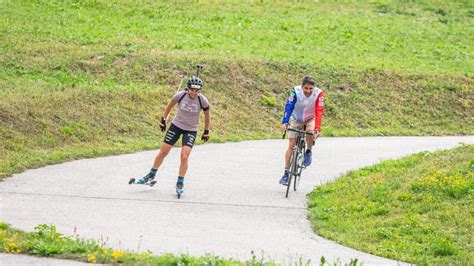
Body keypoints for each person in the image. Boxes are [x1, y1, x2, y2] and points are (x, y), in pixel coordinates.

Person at [135, 76, 211, 195]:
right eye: (192, 90)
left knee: (184, 156)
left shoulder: (202, 100)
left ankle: (180, 181)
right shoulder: (180, 95)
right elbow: (169, 106)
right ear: (188, 88)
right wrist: (163, 119)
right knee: (163, 151)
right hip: (176, 126)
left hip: (191, 130)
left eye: (197, 91)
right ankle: (151, 174)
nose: (194, 93)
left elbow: (207, 115)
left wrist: (206, 131)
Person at [279, 76, 324, 185]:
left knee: (309, 131)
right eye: (306, 88)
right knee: (291, 144)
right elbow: (289, 106)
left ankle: (308, 151)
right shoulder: (295, 91)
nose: (308, 91)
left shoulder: (318, 93)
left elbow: (319, 110)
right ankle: (285, 173)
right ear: (302, 86)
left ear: (314, 88)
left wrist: (317, 128)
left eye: (310, 89)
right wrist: (285, 122)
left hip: (310, 118)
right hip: (296, 118)